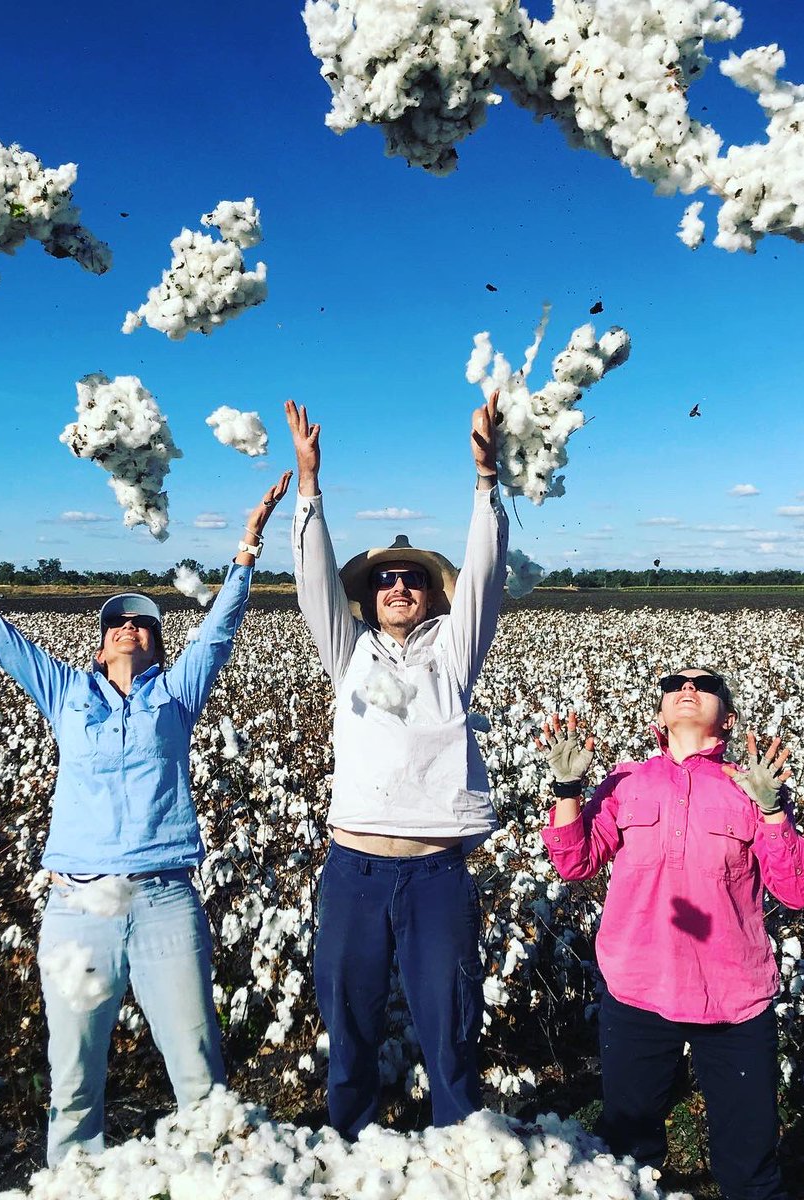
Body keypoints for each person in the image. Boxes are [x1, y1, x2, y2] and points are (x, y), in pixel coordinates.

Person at [0, 469, 291, 1167]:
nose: (130, 627)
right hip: (76, 905)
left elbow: (220, 630)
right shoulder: (65, 691)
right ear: (99, 644)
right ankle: (71, 1180)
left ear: (158, 645)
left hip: (165, 899)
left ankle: (223, 1180)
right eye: (117, 624)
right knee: (74, 1078)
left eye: (143, 623)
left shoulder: (178, 696)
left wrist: (248, 545)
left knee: (198, 1071)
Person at [284, 394, 511, 1138]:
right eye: (386, 580)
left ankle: (460, 1155)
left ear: (429, 592)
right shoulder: (347, 655)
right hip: (353, 869)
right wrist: (309, 489)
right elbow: (314, 583)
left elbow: (481, 576)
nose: (400, 587)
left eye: (412, 578)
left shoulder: (453, 655)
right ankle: (346, 1149)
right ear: (369, 596)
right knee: (347, 1030)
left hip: (435, 873)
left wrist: (486, 484)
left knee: (450, 1034)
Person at [537, 671, 804, 1200]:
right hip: (637, 992)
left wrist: (774, 809)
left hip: (733, 999)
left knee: (748, 1164)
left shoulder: (752, 787)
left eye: (705, 684)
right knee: (627, 1153)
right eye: (674, 684)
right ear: (659, 718)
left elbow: (798, 890)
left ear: (729, 720)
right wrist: (568, 790)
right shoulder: (627, 781)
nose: (687, 688)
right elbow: (575, 863)